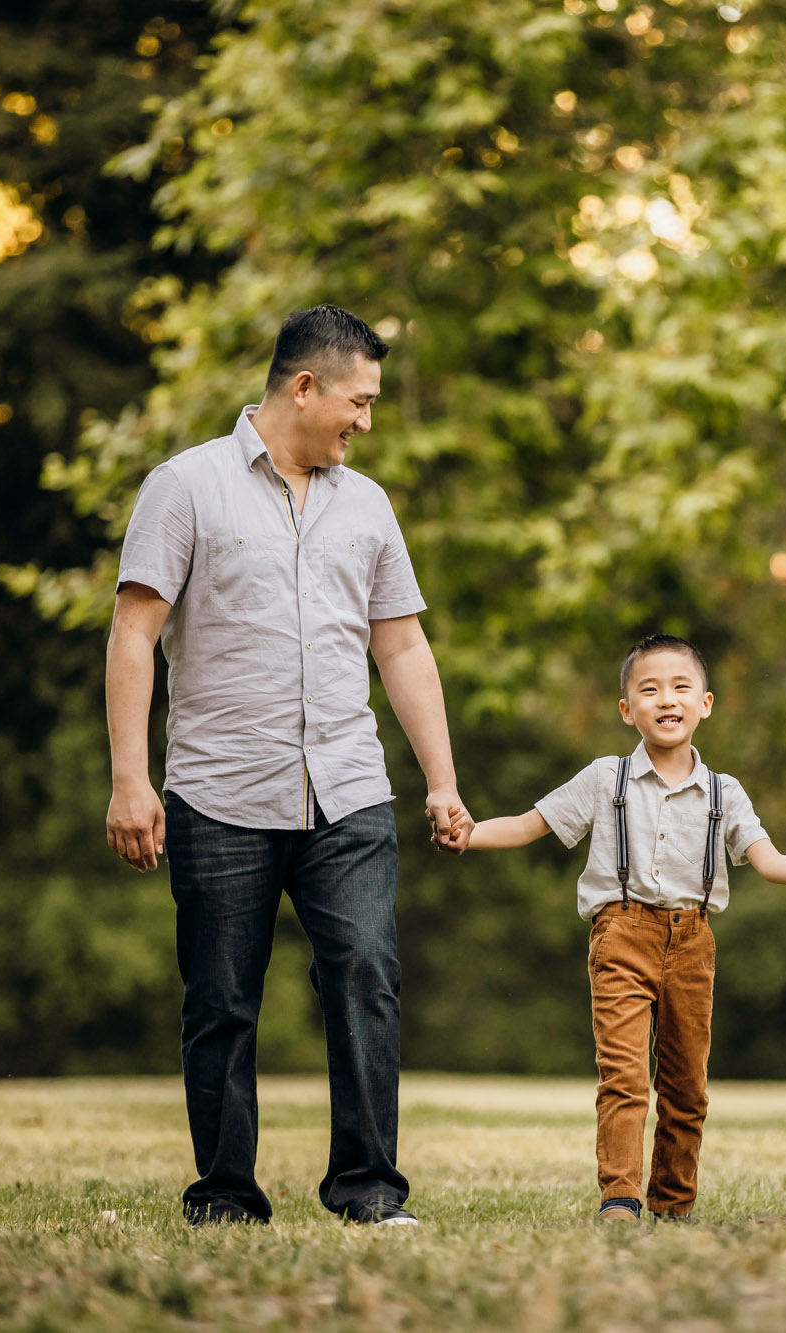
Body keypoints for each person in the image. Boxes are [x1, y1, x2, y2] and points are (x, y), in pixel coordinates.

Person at [104, 304, 473, 1228]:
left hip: (347, 789)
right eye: (360, 400)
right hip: (220, 789)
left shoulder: (369, 504)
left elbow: (402, 649)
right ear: (303, 387)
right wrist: (130, 777)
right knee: (222, 998)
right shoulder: (184, 487)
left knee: (366, 976)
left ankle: (368, 1189)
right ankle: (225, 1192)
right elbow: (134, 632)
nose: (367, 421)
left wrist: (441, 779)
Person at [465, 634, 786, 1222]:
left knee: (687, 1087)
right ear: (626, 709)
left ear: (706, 703)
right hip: (622, 933)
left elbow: (765, 859)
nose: (667, 699)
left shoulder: (725, 792)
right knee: (625, 1077)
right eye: (650, 689)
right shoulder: (604, 779)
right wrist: (469, 831)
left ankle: (673, 1204)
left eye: (680, 687)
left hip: (693, 944)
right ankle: (620, 1197)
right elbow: (529, 824)